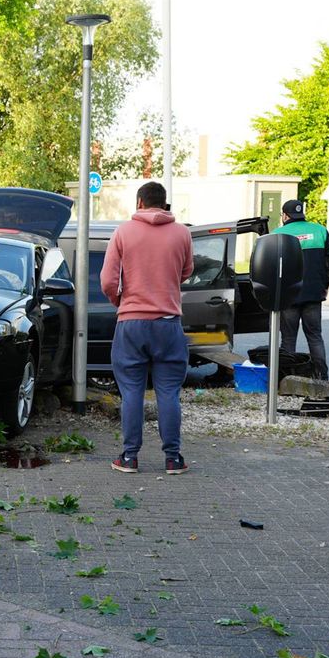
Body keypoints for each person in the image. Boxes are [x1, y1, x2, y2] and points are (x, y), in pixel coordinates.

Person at [100, 181, 194, 475]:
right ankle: (173, 459)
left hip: (131, 323)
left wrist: (121, 301)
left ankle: (129, 457)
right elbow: (187, 270)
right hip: (168, 324)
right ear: (164, 204)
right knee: (168, 392)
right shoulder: (182, 233)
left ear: (139, 202)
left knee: (131, 391)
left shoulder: (123, 232)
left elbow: (107, 280)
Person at [275, 199, 329, 380]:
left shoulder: (277, 234)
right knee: (315, 337)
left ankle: (287, 378)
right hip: (314, 294)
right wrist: (325, 285)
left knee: (288, 339)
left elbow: (269, 265)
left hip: (288, 296)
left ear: (285, 216)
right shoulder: (320, 231)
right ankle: (321, 376)